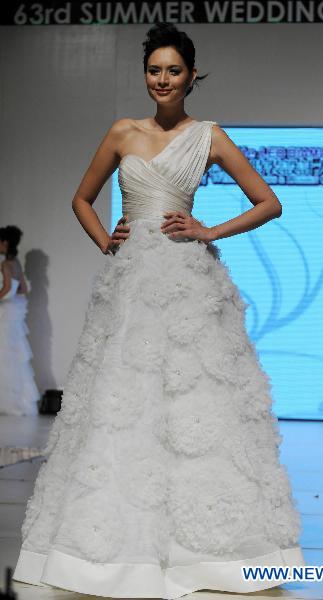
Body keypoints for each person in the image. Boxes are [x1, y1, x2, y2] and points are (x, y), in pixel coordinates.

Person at [12, 21, 305, 598]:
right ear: (145, 75)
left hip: (189, 280)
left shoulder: (210, 136)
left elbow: (269, 201)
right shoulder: (122, 131)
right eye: (154, 70)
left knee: (195, 401)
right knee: (124, 399)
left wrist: (207, 229)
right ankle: (118, 548)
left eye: (174, 70)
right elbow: (82, 196)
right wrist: (104, 240)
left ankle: (205, 549)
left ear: (191, 77)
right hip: (131, 282)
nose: (163, 79)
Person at [0, 225, 39, 416]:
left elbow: (7, 288)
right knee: (15, 355)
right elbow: (23, 289)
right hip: (15, 312)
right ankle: (17, 400)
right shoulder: (16, 262)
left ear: (5, 242)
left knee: (6, 354)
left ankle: (8, 401)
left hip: (8, 313)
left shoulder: (5, 264)